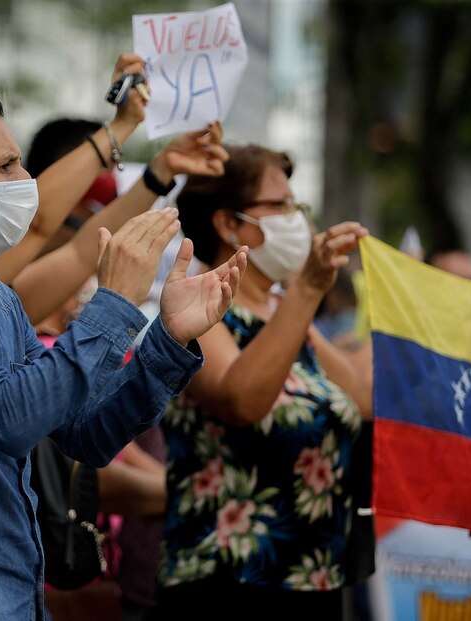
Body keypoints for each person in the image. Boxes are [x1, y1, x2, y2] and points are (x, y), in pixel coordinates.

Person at [0, 91, 247, 620]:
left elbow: (85, 433)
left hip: (15, 585)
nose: (26, 181)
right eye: (6, 165)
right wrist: (115, 301)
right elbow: (7, 415)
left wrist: (167, 342)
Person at [152, 144, 372, 619]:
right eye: (280, 206)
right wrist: (308, 289)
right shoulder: (197, 311)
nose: (296, 220)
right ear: (229, 224)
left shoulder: (287, 314)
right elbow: (241, 400)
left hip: (313, 580)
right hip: (226, 583)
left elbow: (360, 398)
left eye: (297, 206)